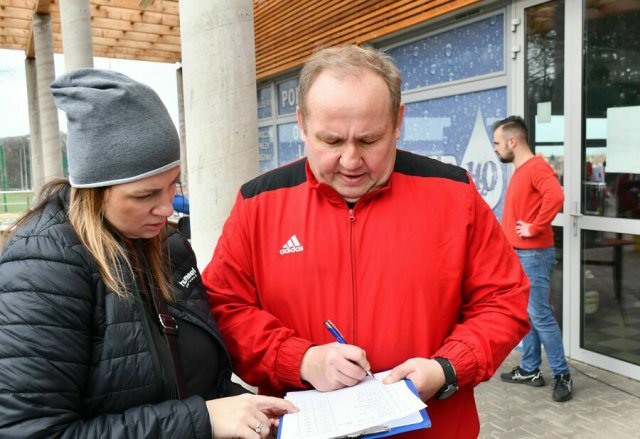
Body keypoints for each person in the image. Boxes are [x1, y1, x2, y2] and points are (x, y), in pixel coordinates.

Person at [203, 45, 530, 438]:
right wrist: (301, 360)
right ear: (302, 125)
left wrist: (446, 368)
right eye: (332, 141)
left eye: (369, 140)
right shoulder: (258, 202)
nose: (351, 160)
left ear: (398, 122)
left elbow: (503, 301)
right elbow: (225, 307)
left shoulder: (453, 194)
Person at [0, 69, 296, 438]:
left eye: (174, 184)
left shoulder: (170, 248)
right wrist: (202, 421)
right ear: (95, 191)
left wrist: (247, 410)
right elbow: (31, 432)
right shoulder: (43, 270)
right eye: (145, 195)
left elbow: (202, 385)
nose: (168, 208)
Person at [493, 115, 572, 402]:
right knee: (527, 314)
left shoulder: (537, 167)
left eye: (498, 143)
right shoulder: (522, 169)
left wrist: (535, 227)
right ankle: (529, 369)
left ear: (512, 141)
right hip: (521, 254)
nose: (496, 148)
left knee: (540, 314)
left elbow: (556, 196)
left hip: (534, 254)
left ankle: (562, 374)